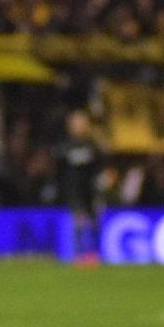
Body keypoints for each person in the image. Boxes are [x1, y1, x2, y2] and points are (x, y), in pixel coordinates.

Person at [54, 109, 102, 261]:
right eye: (76, 123)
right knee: (79, 220)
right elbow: (59, 170)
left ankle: (94, 254)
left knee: (94, 221)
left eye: (82, 122)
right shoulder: (65, 146)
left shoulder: (92, 145)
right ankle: (79, 254)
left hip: (90, 189)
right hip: (73, 190)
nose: (79, 126)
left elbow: (98, 168)